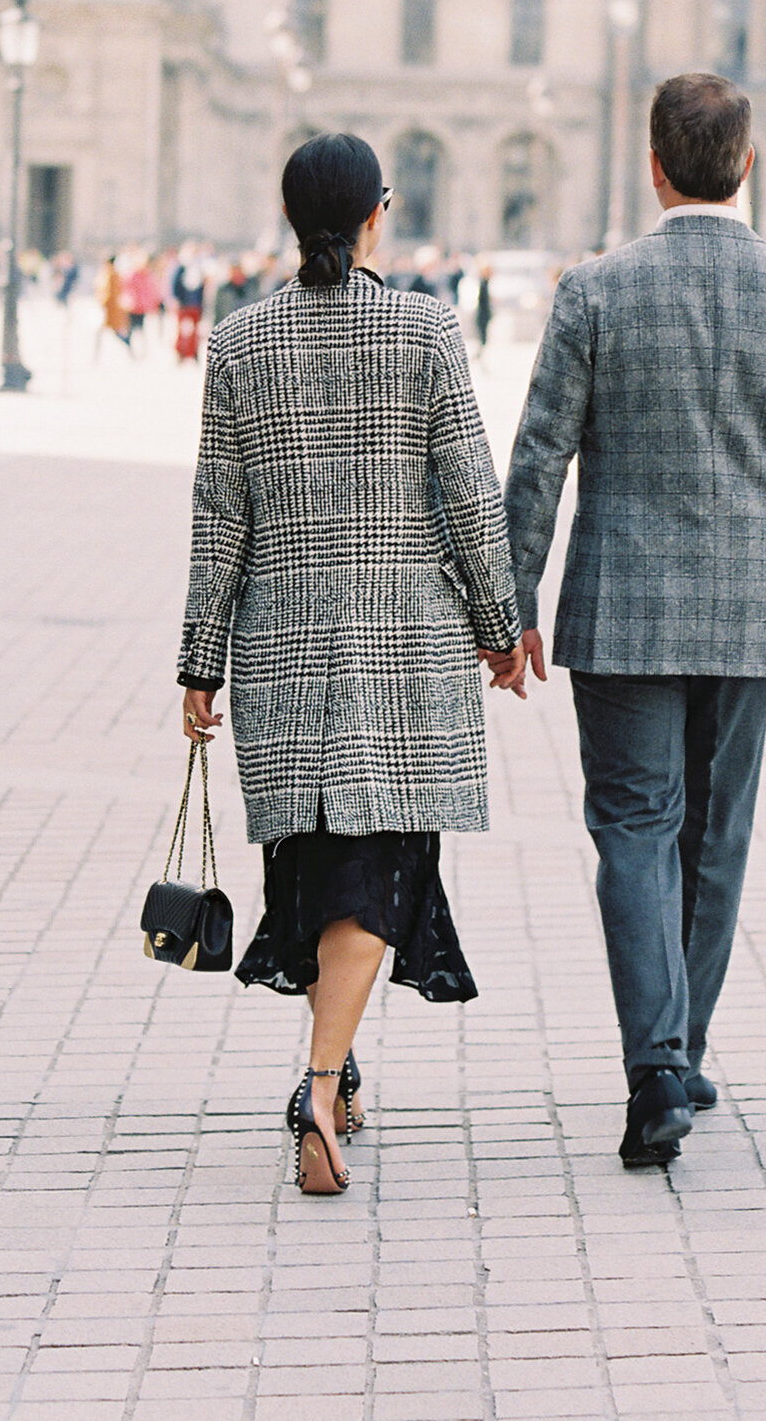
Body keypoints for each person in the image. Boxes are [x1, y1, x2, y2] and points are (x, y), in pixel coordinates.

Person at [503, 72, 766, 1172]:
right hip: (754, 616)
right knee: (716, 839)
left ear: (651, 164)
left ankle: (657, 1064)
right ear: (745, 168)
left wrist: (510, 599)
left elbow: (538, 456)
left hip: (621, 611)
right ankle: (680, 1053)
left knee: (634, 830)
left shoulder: (595, 293)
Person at [177, 134, 525, 1199]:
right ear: (380, 213)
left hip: (283, 648)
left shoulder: (239, 344)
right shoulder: (425, 329)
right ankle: (320, 1092)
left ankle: (342, 1070)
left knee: (320, 861)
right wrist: (501, 623)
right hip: (404, 645)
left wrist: (200, 659)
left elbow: (217, 516)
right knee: (375, 868)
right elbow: (469, 487)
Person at [171, 251, 206, 364]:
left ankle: (192, 352)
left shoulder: (198, 269)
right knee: (183, 331)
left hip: (195, 306)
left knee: (194, 331)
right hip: (185, 306)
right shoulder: (181, 270)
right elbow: (175, 286)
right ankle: (182, 352)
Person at [473, 262, 494, 360]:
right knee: (482, 337)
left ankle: (479, 354)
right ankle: (478, 355)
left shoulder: (485, 283)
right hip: (482, 314)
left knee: (483, 337)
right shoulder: (483, 283)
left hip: (483, 313)